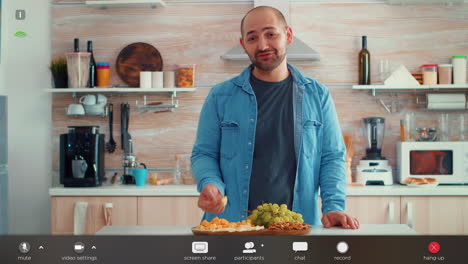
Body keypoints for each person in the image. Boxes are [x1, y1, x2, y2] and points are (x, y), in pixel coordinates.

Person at [191, 6, 360, 229]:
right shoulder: (220, 96)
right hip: (230, 227)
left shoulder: (317, 95)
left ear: (288, 35)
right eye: (252, 38)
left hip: (296, 228)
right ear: (243, 45)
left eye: (271, 34)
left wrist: (334, 206)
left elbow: (332, 157)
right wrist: (210, 183)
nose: (262, 45)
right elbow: (204, 153)